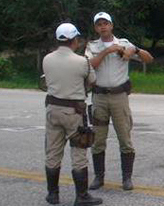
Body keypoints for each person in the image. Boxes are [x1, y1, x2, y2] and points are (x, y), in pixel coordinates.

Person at [86, 12, 153, 191]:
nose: (103, 27)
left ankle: (127, 178)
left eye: (105, 23)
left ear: (112, 25)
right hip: (99, 96)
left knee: (125, 137)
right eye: (99, 24)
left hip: (119, 97)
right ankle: (99, 177)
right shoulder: (92, 46)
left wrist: (135, 50)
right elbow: (88, 65)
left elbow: (148, 59)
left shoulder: (124, 43)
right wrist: (107, 51)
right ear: (95, 28)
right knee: (98, 139)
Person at [43, 23, 102, 206]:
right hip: (73, 111)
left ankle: (53, 194)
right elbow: (92, 81)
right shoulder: (81, 62)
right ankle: (81, 196)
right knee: (79, 152)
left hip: (52, 109)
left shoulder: (47, 59)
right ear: (74, 40)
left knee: (53, 152)